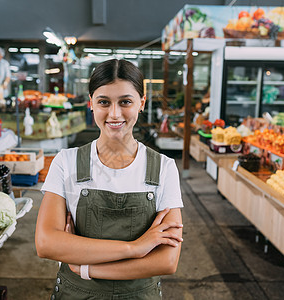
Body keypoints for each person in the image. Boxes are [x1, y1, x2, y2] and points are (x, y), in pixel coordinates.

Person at [35, 59, 183, 299]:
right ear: (91, 103)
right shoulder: (66, 162)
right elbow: (46, 243)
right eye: (104, 102)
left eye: (125, 102)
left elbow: (167, 260)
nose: (115, 114)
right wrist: (135, 248)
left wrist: (86, 268)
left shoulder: (164, 168)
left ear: (141, 103)